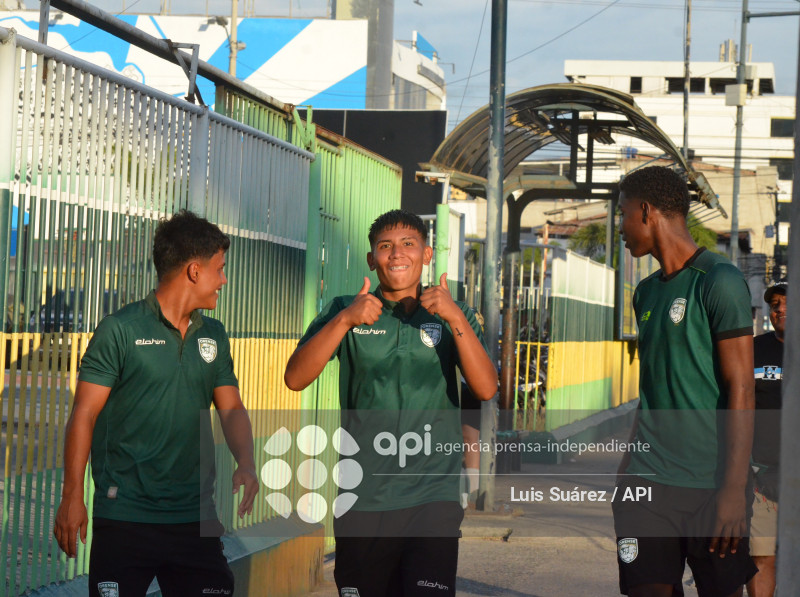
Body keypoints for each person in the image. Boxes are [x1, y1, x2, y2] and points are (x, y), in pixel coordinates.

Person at [284, 209, 497, 597]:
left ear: (427, 254)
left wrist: (454, 317)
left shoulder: (453, 312)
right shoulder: (345, 309)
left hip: (433, 496)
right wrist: (346, 320)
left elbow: (485, 388)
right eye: (385, 246)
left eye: (408, 244)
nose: (397, 254)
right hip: (364, 497)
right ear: (372, 259)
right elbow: (295, 378)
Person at [53, 210, 259, 597]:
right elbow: (84, 415)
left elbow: (231, 409)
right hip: (126, 518)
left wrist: (246, 463)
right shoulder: (120, 330)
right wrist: (72, 496)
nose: (224, 280)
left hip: (195, 520)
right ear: (195, 271)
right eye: (220, 269)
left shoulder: (213, 334)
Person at [613, 166, 757, 597]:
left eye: (621, 214)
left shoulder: (719, 280)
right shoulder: (645, 292)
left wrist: (733, 489)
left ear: (645, 211)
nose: (619, 227)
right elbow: (653, 389)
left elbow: (742, 388)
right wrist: (627, 468)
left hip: (710, 485)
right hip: (647, 483)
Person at [746, 279, 787, 597]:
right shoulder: (754, 350)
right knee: (762, 557)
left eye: (788, 302)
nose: (781, 309)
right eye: (775, 304)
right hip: (762, 477)